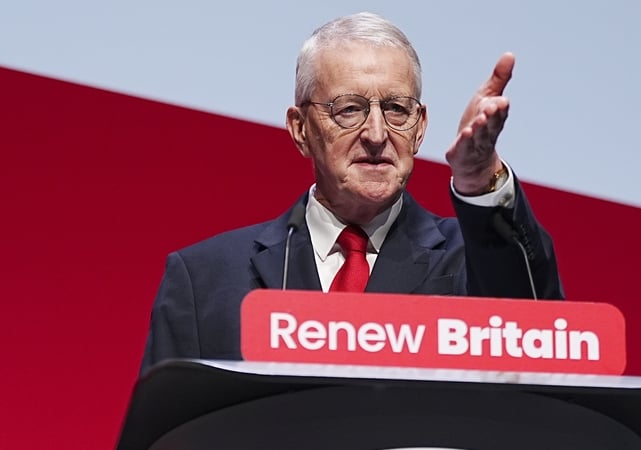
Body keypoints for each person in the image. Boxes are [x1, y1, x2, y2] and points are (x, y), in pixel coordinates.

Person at [140, 12, 564, 374]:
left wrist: (479, 178)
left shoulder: (472, 263)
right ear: (300, 129)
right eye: (349, 109)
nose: (377, 134)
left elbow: (535, 330)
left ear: (420, 129)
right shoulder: (204, 280)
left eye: (397, 109)